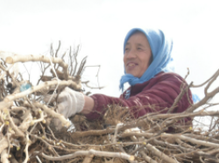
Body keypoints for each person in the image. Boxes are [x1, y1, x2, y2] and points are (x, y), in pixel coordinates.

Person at [56, 28, 193, 122]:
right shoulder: (129, 93)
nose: (129, 56)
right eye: (127, 49)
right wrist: (76, 113)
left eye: (139, 48)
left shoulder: (174, 85)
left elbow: (135, 111)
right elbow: (103, 130)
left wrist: (83, 102)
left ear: (156, 55)